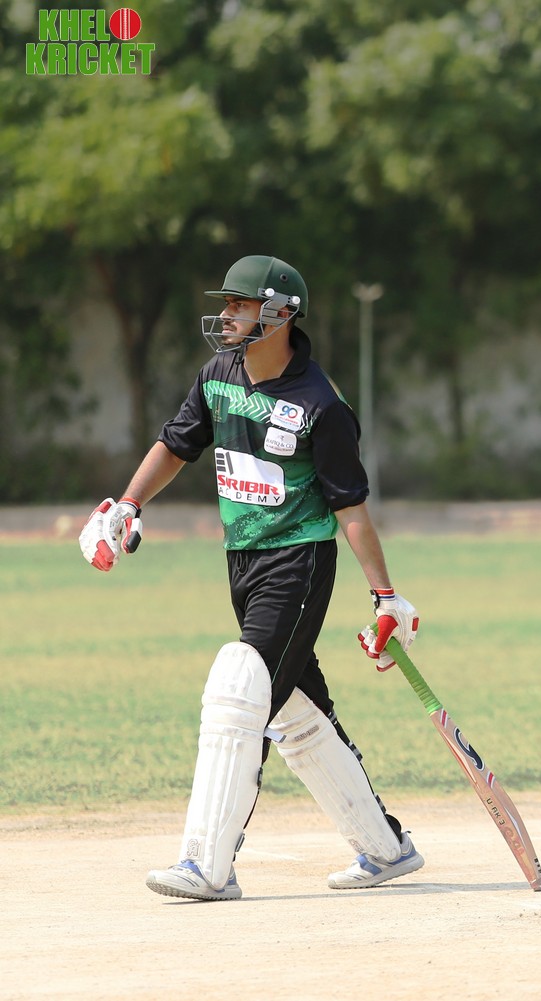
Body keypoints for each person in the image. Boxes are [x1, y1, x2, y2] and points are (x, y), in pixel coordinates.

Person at [79, 254, 423, 901]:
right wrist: (128, 504)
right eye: (228, 304)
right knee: (295, 707)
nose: (229, 314)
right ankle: (386, 846)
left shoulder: (320, 404)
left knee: (240, 686)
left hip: (300, 562)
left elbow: (351, 509)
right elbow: (176, 444)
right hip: (243, 561)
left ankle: (207, 862)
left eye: (241, 304)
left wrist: (385, 595)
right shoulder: (219, 375)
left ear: (282, 314)